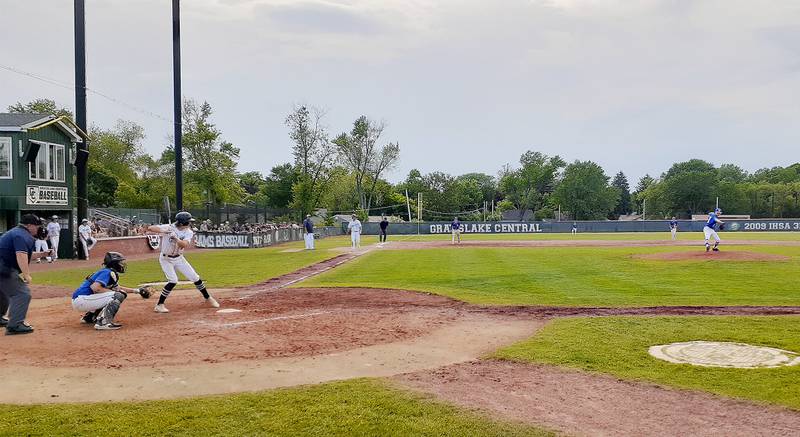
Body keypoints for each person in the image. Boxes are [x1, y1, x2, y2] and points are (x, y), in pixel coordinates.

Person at [147, 211, 219, 313]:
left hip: (179, 258)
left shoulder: (188, 232)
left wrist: (175, 238)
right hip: (166, 259)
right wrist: (165, 230)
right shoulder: (169, 228)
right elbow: (150, 228)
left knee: (195, 278)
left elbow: (183, 245)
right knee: (173, 280)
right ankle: (159, 305)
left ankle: (208, 298)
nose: (190, 224)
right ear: (182, 223)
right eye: (188, 222)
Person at [0, 214, 52, 335]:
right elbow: (21, 255)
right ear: (29, 226)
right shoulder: (21, 235)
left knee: (3, 292)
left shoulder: (18, 233)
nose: (39, 228)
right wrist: (26, 274)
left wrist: (42, 254)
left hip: (3, 267)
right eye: (37, 226)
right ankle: (15, 325)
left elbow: (25, 254)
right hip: (3, 269)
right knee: (22, 293)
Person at [71, 252, 137, 330]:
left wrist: (137, 290)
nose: (122, 264)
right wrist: (112, 292)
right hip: (82, 300)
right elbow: (95, 287)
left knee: (113, 294)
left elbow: (117, 288)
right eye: (119, 262)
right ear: (114, 263)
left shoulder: (106, 271)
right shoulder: (107, 272)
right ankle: (103, 322)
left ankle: (89, 317)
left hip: (81, 300)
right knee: (118, 295)